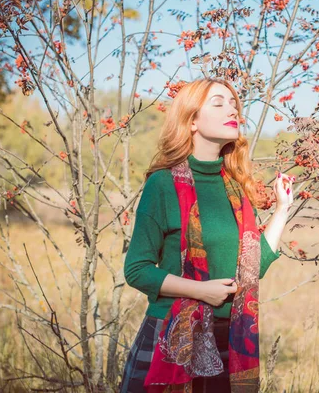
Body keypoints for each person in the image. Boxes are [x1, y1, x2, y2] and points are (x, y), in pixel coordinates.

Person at [119, 77, 294, 392]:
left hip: (230, 340)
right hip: (172, 336)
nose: (233, 110)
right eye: (219, 103)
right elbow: (137, 270)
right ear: (192, 121)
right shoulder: (163, 184)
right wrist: (200, 291)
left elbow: (252, 268)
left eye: (234, 104)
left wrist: (282, 209)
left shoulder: (235, 187)